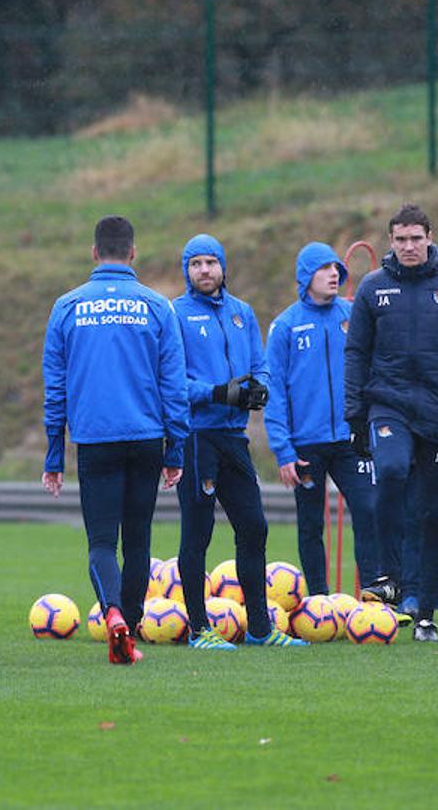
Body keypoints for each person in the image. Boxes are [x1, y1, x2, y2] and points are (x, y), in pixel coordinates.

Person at [41, 216, 189, 664]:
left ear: (93, 254)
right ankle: (133, 626)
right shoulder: (158, 307)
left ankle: (113, 617)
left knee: (102, 542)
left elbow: (55, 386)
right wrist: (176, 446)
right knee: (138, 539)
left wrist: (54, 451)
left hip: (95, 439)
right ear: (132, 253)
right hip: (146, 437)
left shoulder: (67, 307)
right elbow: (174, 384)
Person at [345, 204, 438, 642]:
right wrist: (355, 415)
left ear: (430, 237)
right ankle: (388, 574)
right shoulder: (373, 288)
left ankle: (425, 611)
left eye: (415, 238)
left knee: (432, 515)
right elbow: (356, 355)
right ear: (390, 241)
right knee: (389, 471)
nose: (408, 246)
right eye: (400, 239)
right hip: (389, 406)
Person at [174, 234, 307, 650]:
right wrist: (216, 393)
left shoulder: (241, 313)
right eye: (195, 264)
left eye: (211, 262)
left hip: (234, 438)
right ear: (187, 272)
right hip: (197, 438)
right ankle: (199, 629)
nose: (204, 271)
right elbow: (173, 380)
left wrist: (259, 389)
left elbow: (259, 364)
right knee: (197, 533)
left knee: (254, 526)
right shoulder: (174, 314)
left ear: (223, 267)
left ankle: (259, 630)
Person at [265, 241, 381, 596]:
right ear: (305, 277)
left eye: (337, 269)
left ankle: (377, 593)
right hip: (305, 445)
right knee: (311, 524)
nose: (334, 274)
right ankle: (318, 599)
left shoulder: (352, 316)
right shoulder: (285, 326)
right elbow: (276, 392)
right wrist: (283, 450)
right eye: (324, 269)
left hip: (350, 441)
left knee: (368, 511)